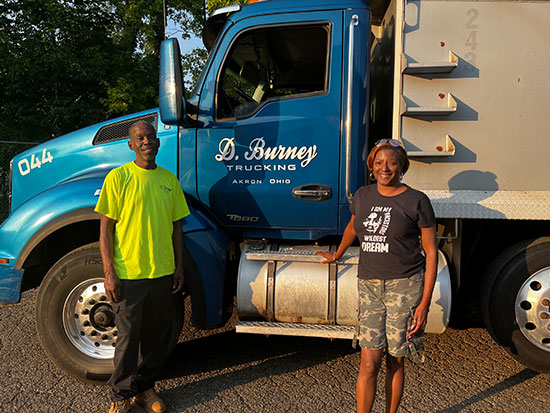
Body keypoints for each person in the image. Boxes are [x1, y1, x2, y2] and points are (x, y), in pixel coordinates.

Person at [316, 139, 437, 413]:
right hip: (369, 285)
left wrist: (424, 303)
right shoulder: (363, 195)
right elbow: (352, 226)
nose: (386, 168)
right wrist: (337, 254)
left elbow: (431, 252)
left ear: (402, 167)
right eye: (380, 163)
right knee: (369, 362)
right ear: (372, 167)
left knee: (396, 359)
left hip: (404, 286)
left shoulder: (417, 200)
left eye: (392, 163)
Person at [95, 120, 190, 413]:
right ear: (131, 145)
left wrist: (179, 268)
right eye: (140, 137)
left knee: (156, 338)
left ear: (158, 142)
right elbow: (105, 231)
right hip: (129, 276)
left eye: (151, 136)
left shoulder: (169, 180)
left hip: (161, 273)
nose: (147, 141)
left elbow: (177, 229)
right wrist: (110, 274)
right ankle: (120, 397)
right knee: (127, 340)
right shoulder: (118, 178)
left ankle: (146, 390)